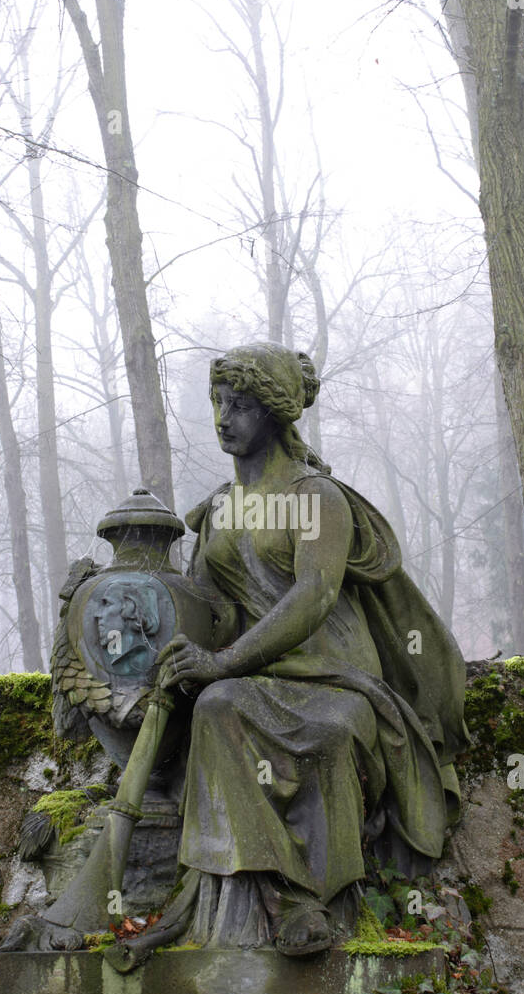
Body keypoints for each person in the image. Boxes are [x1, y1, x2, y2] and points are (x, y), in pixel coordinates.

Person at [147, 342, 467, 958]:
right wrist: (137, 603)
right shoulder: (217, 509)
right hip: (249, 677)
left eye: (238, 405)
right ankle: (285, 902)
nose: (222, 417)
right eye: (217, 402)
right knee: (216, 708)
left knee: (329, 734)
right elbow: (206, 604)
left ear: (273, 413)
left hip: (332, 675)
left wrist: (223, 662)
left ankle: (328, 897)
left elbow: (313, 596)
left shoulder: (318, 497)